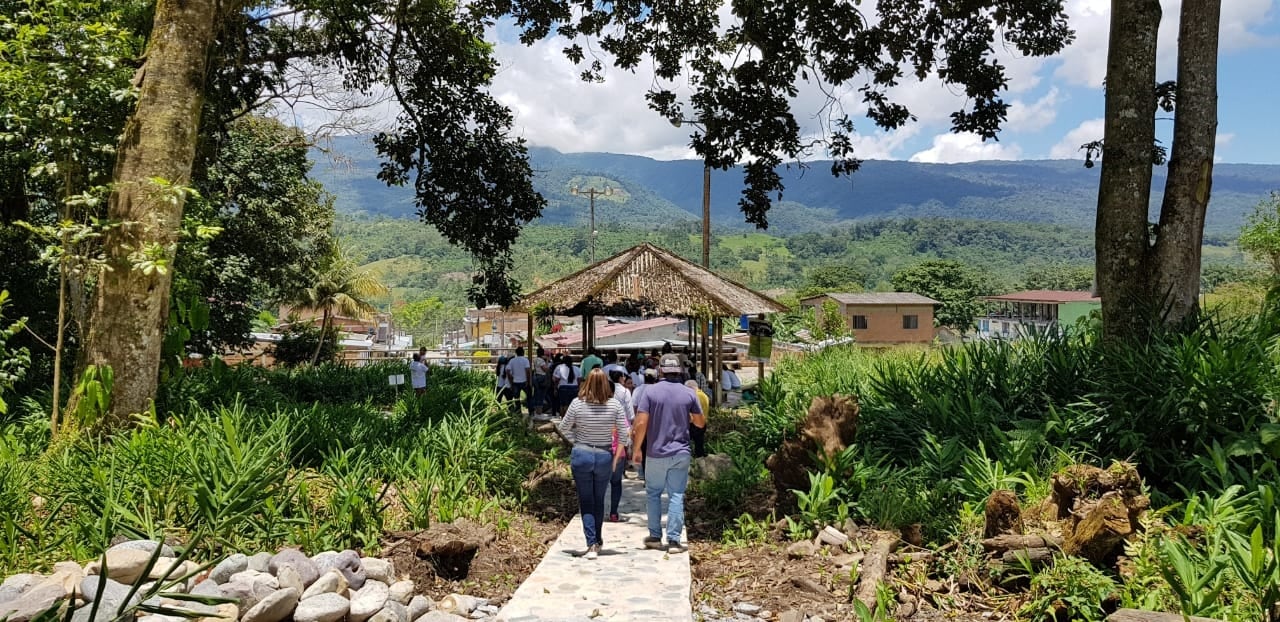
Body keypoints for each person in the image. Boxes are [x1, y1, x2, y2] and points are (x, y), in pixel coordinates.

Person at [633, 354, 705, 554]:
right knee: (676, 495)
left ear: (661, 370)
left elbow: (640, 423)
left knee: (653, 494)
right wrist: (688, 417)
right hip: (680, 452)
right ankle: (673, 541)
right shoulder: (689, 393)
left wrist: (637, 448)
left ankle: (655, 536)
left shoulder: (650, 392)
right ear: (680, 371)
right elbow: (700, 423)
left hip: (655, 453)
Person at [558, 369, 630, 560]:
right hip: (605, 455)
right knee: (599, 499)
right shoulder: (615, 405)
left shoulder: (577, 404)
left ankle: (591, 542)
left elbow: (563, 427)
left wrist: (576, 440)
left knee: (586, 500)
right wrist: (616, 459)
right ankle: (597, 540)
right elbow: (624, 435)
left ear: (586, 383)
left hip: (582, 453)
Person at [606, 370, 636, 521]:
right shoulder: (619, 408)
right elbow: (628, 424)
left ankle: (597, 511)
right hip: (618, 452)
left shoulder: (595, 409)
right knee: (616, 483)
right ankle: (613, 513)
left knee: (599, 485)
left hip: (600, 452)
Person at [684, 380, 710, 458]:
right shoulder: (703, 395)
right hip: (703, 422)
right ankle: (700, 456)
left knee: (685, 440)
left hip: (695, 423)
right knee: (699, 442)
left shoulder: (695, 396)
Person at [505, 346, 532, 415]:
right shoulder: (525, 360)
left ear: (516, 353)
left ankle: (519, 413)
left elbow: (508, 371)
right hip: (524, 381)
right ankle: (531, 411)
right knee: (529, 397)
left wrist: (511, 381)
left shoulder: (512, 360)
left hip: (515, 382)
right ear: (523, 352)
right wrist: (528, 381)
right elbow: (528, 371)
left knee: (516, 399)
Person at [531, 346, 552, 419]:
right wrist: (546, 361)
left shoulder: (535, 359)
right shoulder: (541, 360)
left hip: (536, 377)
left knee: (537, 394)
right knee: (541, 395)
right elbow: (545, 369)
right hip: (542, 377)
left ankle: (536, 411)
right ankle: (539, 412)